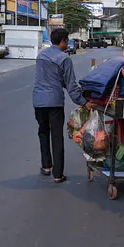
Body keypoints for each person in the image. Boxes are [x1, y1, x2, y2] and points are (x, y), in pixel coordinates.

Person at [33, 28, 87, 183]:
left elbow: (50, 78)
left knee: (43, 132)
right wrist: (83, 102)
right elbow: (70, 86)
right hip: (54, 102)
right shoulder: (64, 59)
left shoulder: (41, 56)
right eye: (67, 40)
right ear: (63, 40)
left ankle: (46, 166)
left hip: (38, 100)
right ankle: (58, 174)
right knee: (56, 136)